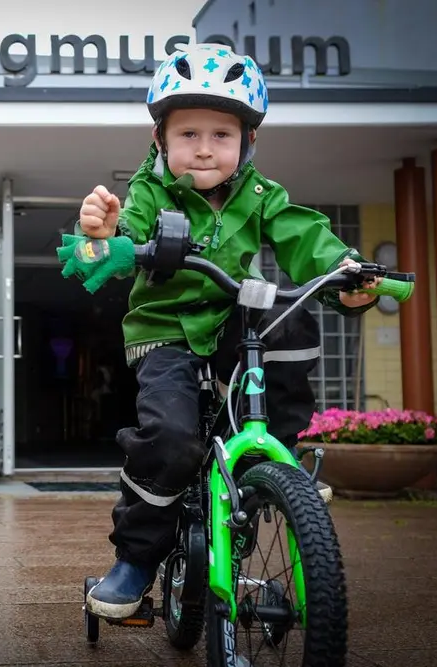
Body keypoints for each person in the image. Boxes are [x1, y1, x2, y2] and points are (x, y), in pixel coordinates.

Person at [69, 44, 381, 620]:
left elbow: (304, 237)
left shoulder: (262, 197)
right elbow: (108, 244)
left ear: (248, 143)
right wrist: (103, 232)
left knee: (292, 320)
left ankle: (276, 460)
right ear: (160, 139)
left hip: (238, 325)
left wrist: (345, 273)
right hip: (167, 333)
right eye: (188, 134)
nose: (205, 148)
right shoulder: (146, 195)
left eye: (222, 135)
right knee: (172, 440)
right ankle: (136, 561)